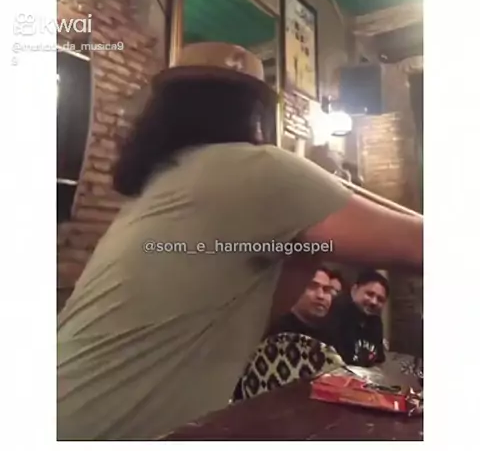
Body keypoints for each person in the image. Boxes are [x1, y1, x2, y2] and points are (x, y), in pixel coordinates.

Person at [57, 42, 423, 440]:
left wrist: (316, 206)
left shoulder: (161, 184)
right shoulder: (257, 171)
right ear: (255, 112)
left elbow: (264, 309)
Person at [324, 269, 389, 367]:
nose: (374, 302)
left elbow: (378, 361)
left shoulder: (376, 322)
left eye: (380, 299)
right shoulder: (336, 311)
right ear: (354, 290)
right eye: (369, 294)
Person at [268, 267, 333, 338]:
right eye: (312, 286)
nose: (321, 296)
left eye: (326, 289)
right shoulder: (280, 332)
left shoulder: (333, 334)